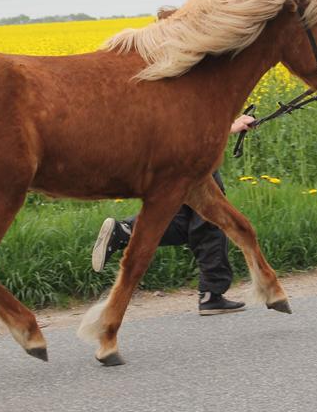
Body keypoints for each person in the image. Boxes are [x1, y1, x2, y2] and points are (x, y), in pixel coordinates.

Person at [91, 114, 256, 315]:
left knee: (183, 219)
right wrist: (228, 126)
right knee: (212, 216)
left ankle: (124, 231)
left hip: (163, 147)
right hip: (187, 148)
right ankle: (211, 294)